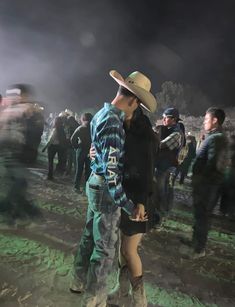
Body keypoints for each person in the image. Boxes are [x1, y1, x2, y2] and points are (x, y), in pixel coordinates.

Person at [70, 70, 157, 307]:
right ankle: (95, 298)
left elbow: (105, 159)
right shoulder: (114, 123)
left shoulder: (102, 114)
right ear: (133, 100)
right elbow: (112, 174)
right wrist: (130, 206)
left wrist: (96, 157)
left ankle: (78, 281)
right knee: (106, 249)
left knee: (90, 236)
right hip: (109, 192)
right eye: (137, 105)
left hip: (98, 184)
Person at [107, 105, 158, 307]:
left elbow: (148, 171)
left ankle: (140, 300)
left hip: (139, 199)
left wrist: (142, 202)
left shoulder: (145, 135)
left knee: (130, 249)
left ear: (133, 105)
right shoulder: (121, 130)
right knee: (122, 247)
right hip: (124, 197)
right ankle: (122, 290)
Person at [181, 107, 227, 259]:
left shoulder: (217, 138)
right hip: (205, 185)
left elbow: (213, 165)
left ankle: (199, 249)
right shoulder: (213, 136)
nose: (204, 122)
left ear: (215, 121)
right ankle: (195, 242)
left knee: (203, 217)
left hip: (207, 187)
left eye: (207, 119)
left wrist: (200, 180)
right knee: (199, 215)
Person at [0, 84, 42, 220]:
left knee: (19, 183)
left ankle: (19, 211)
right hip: (11, 153)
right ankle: (8, 207)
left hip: (18, 153)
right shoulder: (12, 110)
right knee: (19, 182)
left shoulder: (19, 109)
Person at [155, 107, 185, 217]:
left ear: (173, 119)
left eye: (165, 118)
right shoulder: (169, 130)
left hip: (167, 168)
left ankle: (162, 213)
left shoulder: (176, 134)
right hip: (162, 166)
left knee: (162, 191)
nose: (163, 120)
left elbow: (160, 145)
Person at [71, 113, 93, 193]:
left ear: (83, 119)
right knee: (88, 170)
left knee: (79, 169)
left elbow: (72, 139)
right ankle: (87, 188)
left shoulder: (80, 128)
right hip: (90, 151)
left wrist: (76, 147)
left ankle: (76, 187)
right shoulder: (93, 128)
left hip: (81, 150)